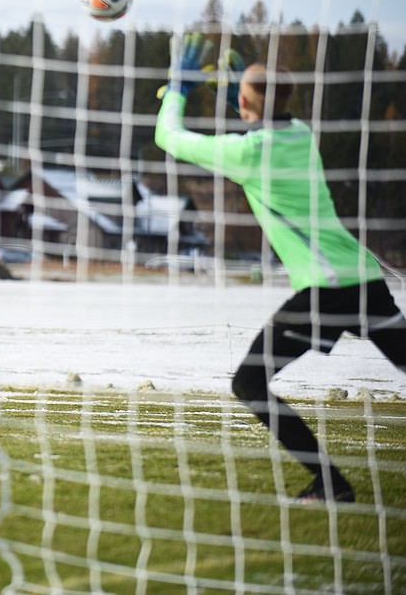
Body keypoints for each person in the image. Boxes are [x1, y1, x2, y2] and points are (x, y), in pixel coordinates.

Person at [155, 33, 406, 503]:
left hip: (325, 289)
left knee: (248, 382)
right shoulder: (300, 134)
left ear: (246, 102)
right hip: (363, 278)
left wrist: (178, 89)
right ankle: (329, 483)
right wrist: (238, 97)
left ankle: (330, 483)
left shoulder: (249, 153)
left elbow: (167, 137)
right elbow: (266, 120)